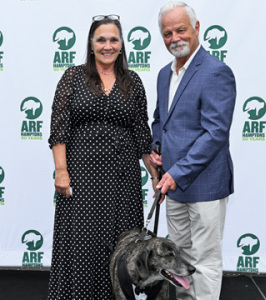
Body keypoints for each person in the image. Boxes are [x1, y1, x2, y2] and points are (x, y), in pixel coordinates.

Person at [48, 15, 156, 299]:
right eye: (101, 39)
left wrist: (155, 174)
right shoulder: (73, 77)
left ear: (121, 45)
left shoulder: (133, 81)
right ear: (91, 44)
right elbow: (59, 128)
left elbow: (141, 133)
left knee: (122, 250)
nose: (107, 45)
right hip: (81, 177)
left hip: (123, 180)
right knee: (82, 245)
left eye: (113, 39)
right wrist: (61, 170)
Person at [150, 2, 236, 300]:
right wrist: (155, 147)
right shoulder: (164, 74)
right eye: (167, 33)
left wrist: (177, 173)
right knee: (180, 260)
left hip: (206, 186)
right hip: (173, 186)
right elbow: (161, 119)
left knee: (205, 261)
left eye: (181, 30)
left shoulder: (216, 72)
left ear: (197, 28)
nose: (174, 38)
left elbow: (215, 133)